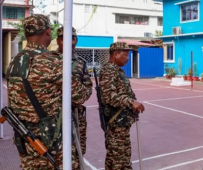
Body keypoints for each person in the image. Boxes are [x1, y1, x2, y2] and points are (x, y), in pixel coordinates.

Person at [6, 15, 90, 169]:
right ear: (48, 32)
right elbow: (80, 96)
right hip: (51, 140)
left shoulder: (15, 61)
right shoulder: (53, 61)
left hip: (25, 137)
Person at [99, 42, 145, 170]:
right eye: (125, 55)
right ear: (115, 54)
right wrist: (131, 102)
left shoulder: (116, 70)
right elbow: (109, 96)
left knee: (122, 158)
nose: (128, 58)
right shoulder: (109, 70)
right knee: (117, 160)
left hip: (121, 122)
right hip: (115, 123)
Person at [54, 27, 92, 155]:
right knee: (55, 152)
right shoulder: (49, 60)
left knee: (77, 151)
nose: (69, 41)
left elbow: (88, 86)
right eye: (64, 38)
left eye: (73, 38)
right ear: (58, 40)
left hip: (75, 114)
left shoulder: (81, 63)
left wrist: (78, 96)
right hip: (52, 116)